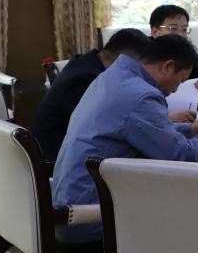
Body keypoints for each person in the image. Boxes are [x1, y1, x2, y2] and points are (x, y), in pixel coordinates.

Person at [52, 34, 198, 253]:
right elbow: (180, 156)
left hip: (69, 215)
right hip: (93, 228)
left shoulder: (112, 77)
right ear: (167, 66)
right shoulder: (142, 96)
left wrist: (192, 129)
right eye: (180, 80)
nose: (176, 90)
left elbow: (145, 130)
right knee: (196, 214)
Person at [31, 28, 149, 161]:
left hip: (67, 152)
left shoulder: (86, 63)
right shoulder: (87, 78)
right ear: (125, 60)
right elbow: (113, 123)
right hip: (56, 159)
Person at [149, 4, 198, 87]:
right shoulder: (143, 52)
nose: (180, 34)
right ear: (155, 32)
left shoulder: (185, 51)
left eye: (184, 29)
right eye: (173, 28)